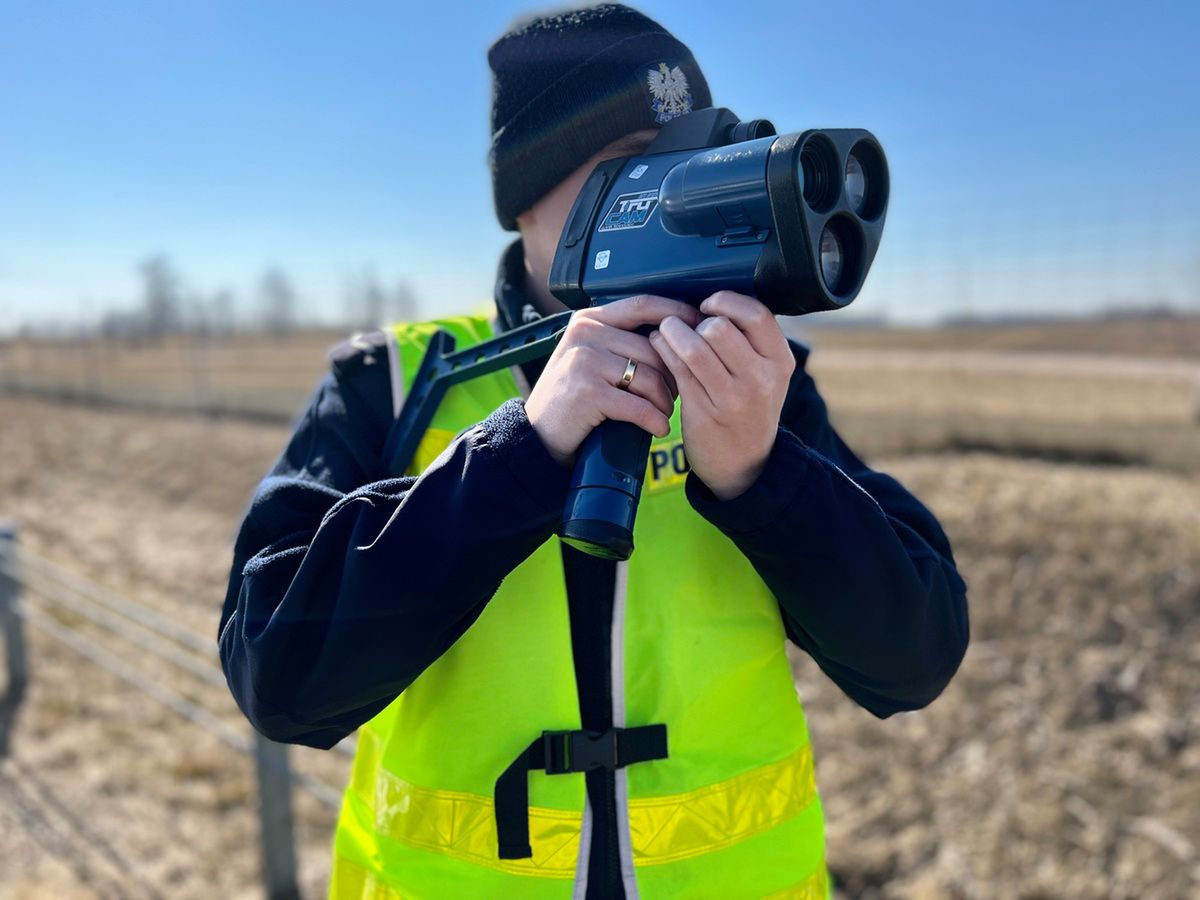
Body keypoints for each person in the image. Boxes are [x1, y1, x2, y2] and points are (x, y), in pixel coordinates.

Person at [218, 5, 969, 898]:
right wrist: (519, 457)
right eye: (629, 167)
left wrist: (766, 480)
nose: (674, 194)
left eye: (691, 161)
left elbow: (917, 654)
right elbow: (279, 677)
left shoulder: (760, 388)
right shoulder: (391, 381)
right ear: (528, 195)